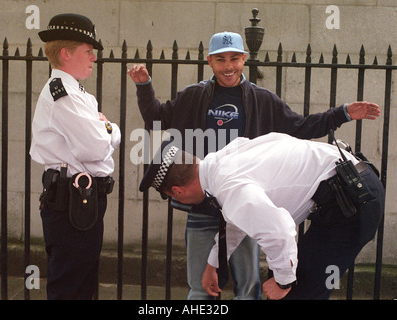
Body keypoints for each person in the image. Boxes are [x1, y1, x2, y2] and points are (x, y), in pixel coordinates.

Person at [127, 31, 380, 299]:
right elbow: (157, 118)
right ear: (209, 62)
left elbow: (301, 127)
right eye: (220, 59)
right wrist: (144, 87)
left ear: (244, 59)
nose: (228, 66)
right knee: (203, 288)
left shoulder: (262, 100)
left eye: (234, 58)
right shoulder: (193, 96)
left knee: (251, 286)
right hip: (204, 201)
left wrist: (339, 114)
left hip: (250, 197)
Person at [139, 133, 385, 299]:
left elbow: (280, 231)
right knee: (289, 278)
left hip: (354, 202)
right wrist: (213, 263)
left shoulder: (230, 188)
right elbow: (240, 219)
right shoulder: (222, 161)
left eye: (174, 198)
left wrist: (283, 283)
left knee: (300, 290)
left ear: (178, 191)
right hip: (344, 192)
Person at [30, 13, 121, 299]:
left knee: (83, 283)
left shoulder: (75, 92)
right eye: (88, 51)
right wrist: (108, 129)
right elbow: (96, 147)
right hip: (72, 200)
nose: (94, 57)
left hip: (82, 200)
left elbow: (102, 139)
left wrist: (105, 130)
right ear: (66, 53)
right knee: (71, 285)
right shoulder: (63, 94)